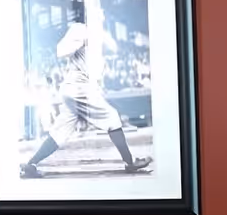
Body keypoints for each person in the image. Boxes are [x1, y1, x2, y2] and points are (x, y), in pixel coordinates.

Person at [18, 18, 152, 179]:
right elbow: (61, 51)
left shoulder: (96, 35)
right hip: (78, 87)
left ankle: (31, 164)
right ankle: (130, 163)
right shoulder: (80, 28)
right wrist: (81, 41)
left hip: (73, 89)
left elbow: (113, 48)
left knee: (61, 131)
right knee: (113, 117)